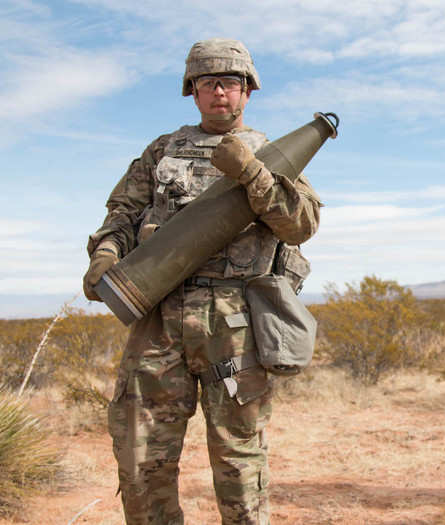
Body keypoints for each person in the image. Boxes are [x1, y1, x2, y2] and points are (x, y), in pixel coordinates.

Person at [82, 38, 321, 524]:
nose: (220, 93)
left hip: (234, 327)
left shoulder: (271, 153)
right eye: (208, 82)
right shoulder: (162, 151)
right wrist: (105, 254)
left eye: (230, 82)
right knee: (141, 459)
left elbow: (302, 225)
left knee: (239, 462)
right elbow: (121, 215)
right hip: (158, 320)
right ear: (192, 90)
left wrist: (254, 174)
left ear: (248, 91)